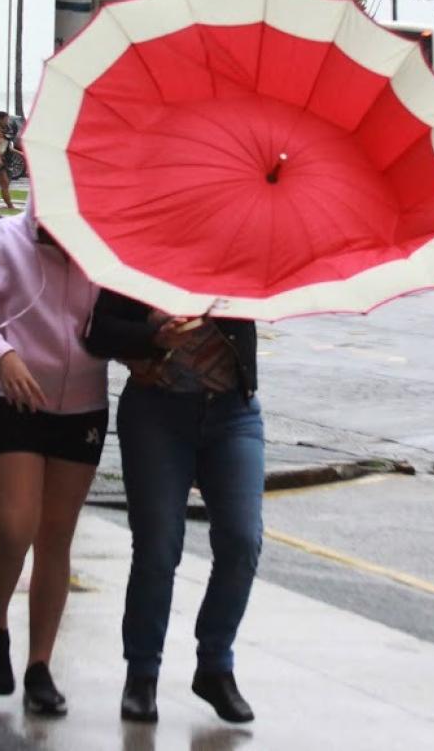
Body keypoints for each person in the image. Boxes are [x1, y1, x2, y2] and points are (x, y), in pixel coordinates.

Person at [0, 210, 108, 717]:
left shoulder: (102, 246)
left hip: (83, 408)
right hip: (13, 401)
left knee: (55, 537)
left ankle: (39, 667)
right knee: (15, 527)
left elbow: (123, 322)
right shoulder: (8, 240)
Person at [84, 293, 264, 725]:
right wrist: (153, 335)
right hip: (157, 413)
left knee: (243, 540)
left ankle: (215, 665)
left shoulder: (240, 257)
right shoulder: (141, 258)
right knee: (158, 547)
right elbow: (98, 332)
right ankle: (142, 674)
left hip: (232, 412)